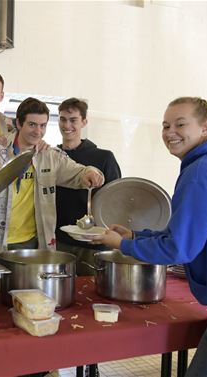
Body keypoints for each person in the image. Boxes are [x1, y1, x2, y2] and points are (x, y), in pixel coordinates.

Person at [92, 97, 207, 377]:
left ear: (205, 127)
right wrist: (137, 234)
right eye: (165, 125)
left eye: (180, 124)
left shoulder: (202, 171)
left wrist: (124, 245)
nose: (169, 132)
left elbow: (180, 248)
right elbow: (190, 232)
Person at [0, 97, 104, 257]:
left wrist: (92, 173)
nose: (38, 131)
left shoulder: (49, 155)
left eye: (43, 125)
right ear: (19, 123)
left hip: (31, 244)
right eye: (32, 124)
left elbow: (80, 173)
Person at [55, 98, 122, 276]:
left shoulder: (104, 157)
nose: (67, 125)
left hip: (94, 243)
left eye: (73, 120)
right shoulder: (51, 157)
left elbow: (115, 201)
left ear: (84, 121)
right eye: (62, 119)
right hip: (58, 241)